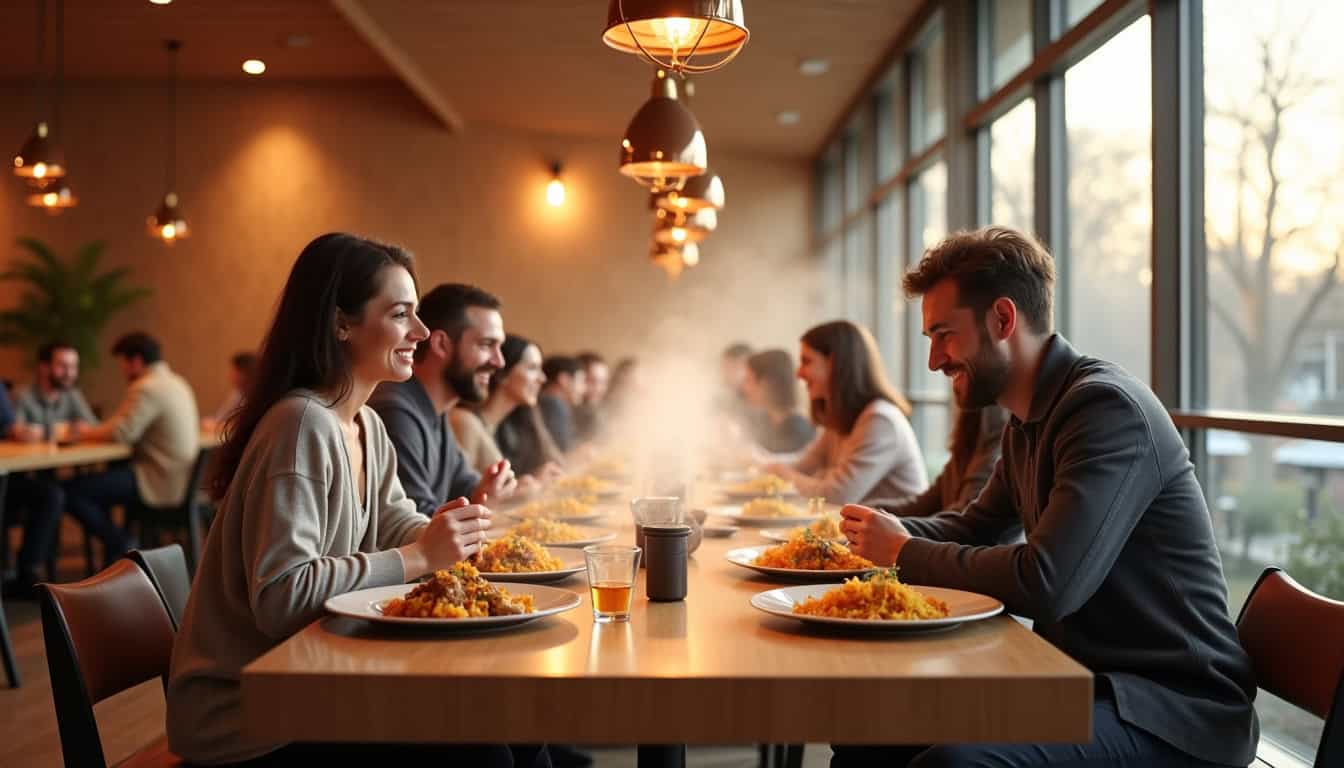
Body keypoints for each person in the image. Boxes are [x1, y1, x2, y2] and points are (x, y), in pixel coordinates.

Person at [837, 226, 1258, 768]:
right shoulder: (1030, 419)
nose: (934, 361)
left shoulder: (1105, 410)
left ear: (1003, 320)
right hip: (1082, 682)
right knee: (869, 724)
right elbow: (973, 528)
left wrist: (901, 551)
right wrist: (859, 532)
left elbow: (1048, 583)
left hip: (1174, 710)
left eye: (944, 334)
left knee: (957, 765)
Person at [167, 233, 545, 768]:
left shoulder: (364, 422)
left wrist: (458, 536)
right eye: (400, 314)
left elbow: (397, 522)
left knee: (517, 721)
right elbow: (281, 597)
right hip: (248, 718)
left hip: (317, 682)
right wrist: (419, 557)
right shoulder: (301, 425)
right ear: (341, 324)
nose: (419, 332)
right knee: (487, 752)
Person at [368, 283, 518, 517]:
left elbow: (468, 487)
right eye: (487, 345)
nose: (499, 362)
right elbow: (414, 526)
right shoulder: (396, 410)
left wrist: (492, 489)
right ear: (440, 344)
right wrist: (480, 503)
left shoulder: (436, 410)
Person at [63, 332, 199, 565]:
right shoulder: (177, 382)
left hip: (156, 480)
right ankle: (118, 552)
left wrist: (82, 432)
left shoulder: (147, 387)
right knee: (96, 486)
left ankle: (121, 543)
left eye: (123, 364)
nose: (123, 371)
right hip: (179, 479)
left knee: (70, 492)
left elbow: (122, 433)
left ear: (135, 361)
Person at [764, 321, 927, 505]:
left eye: (807, 361)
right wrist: (757, 461)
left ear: (836, 364)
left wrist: (783, 474)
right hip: (861, 529)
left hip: (898, 530)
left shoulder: (880, 420)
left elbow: (836, 496)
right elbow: (804, 464)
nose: (799, 374)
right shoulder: (841, 416)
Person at [869, 405, 1018, 543]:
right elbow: (923, 504)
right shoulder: (966, 449)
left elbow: (965, 521)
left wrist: (891, 527)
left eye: (958, 374)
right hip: (951, 555)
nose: (940, 374)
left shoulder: (996, 452)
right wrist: (868, 512)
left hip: (970, 562)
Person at [451, 335, 564, 483]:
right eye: (532, 368)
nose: (542, 378)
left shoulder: (512, 424)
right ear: (503, 374)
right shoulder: (465, 421)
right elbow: (461, 495)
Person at [1, 383, 67, 598]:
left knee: (50, 495)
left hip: (7, 472)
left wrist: (22, 432)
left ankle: (27, 574)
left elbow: (12, 427)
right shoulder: (26, 394)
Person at [11, 341, 98, 441]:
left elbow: (94, 427)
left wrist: (44, 432)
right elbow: (18, 433)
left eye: (73, 367)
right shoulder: (22, 395)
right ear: (44, 367)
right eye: (62, 366)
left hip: (67, 456)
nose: (69, 373)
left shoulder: (73, 395)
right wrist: (69, 429)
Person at [740, 348, 815, 455]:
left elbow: (780, 463)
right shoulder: (764, 420)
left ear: (768, 384)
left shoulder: (798, 428)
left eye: (748, 380)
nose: (744, 387)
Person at [538, 355, 586, 454]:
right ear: (564, 380)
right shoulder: (553, 404)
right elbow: (566, 450)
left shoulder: (546, 402)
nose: (584, 389)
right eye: (581, 381)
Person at [204, 351, 257, 430]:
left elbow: (244, 425)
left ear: (243, 373)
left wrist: (217, 425)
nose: (229, 375)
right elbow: (220, 418)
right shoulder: (237, 394)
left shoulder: (256, 396)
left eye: (233, 371)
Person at [573, 351, 609, 444]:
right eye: (591, 381)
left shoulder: (601, 413)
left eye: (603, 382)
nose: (599, 389)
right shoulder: (558, 412)